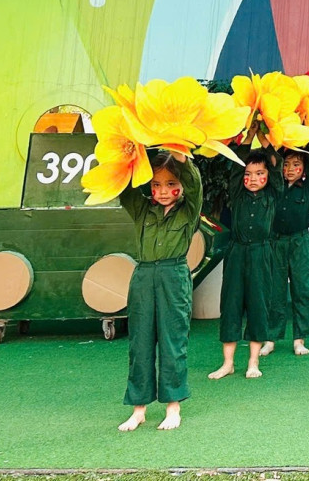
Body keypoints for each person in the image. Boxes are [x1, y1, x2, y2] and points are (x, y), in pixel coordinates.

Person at [117, 152, 201, 432]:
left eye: (171, 184)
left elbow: (194, 184)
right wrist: (136, 152)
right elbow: (125, 185)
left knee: (172, 341)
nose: (163, 191)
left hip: (173, 276)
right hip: (143, 277)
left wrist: (180, 156)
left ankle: (173, 408)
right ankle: (138, 409)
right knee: (139, 343)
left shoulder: (189, 210)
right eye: (156, 185)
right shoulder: (143, 209)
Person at [210, 149, 280, 381]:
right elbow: (236, 165)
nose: (253, 179)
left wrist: (266, 140)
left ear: (267, 175)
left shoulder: (272, 194)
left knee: (258, 304)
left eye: (259, 173)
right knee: (230, 304)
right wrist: (249, 136)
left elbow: (277, 167)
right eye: (248, 174)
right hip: (236, 253)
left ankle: (253, 361)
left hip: (261, 253)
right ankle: (228, 363)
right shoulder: (238, 193)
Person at [265, 147, 309, 357]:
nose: (290, 169)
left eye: (296, 165)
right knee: (274, 291)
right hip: (276, 242)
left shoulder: (308, 185)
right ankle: (270, 338)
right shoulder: (274, 185)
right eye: (286, 164)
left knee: (302, 289)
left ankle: (300, 339)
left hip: (300, 242)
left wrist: (304, 135)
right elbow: (272, 156)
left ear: (304, 168)